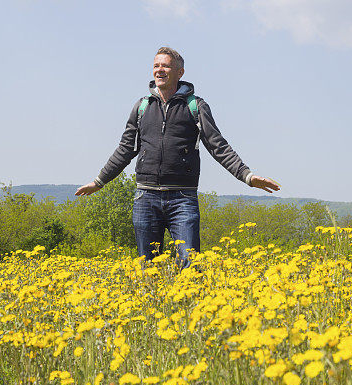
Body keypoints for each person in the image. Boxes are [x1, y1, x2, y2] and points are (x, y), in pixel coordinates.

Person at [75, 47, 280, 267]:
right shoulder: (142, 107)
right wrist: (99, 181)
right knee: (148, 269)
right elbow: (125, 149)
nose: (159, 70)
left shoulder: (195, 106)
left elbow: (217, 145)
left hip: (183, 199)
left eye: (165, 66)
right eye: (156, 66)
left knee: (190, 265)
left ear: (180, 72)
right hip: (146, 197)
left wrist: (247, 176)